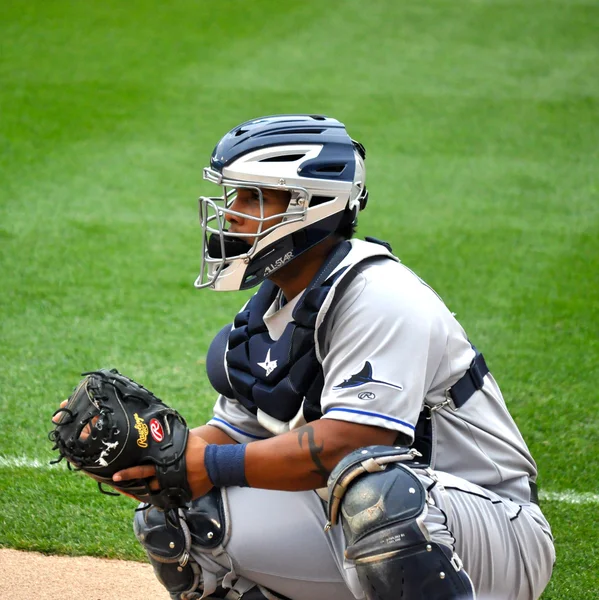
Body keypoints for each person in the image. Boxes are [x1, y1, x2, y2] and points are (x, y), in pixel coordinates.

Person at [114, 115, 555, 600]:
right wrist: (157, 462)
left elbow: (354, 442)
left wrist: (212, 464)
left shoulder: (379, 295)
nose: (233, 212)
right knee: (178, 512)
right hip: (355, 520)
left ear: (311, 204)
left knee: (378, 500)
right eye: (233, 195)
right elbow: (233, 435)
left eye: (253, 196)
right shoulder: (272, 307)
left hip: (490, 530)